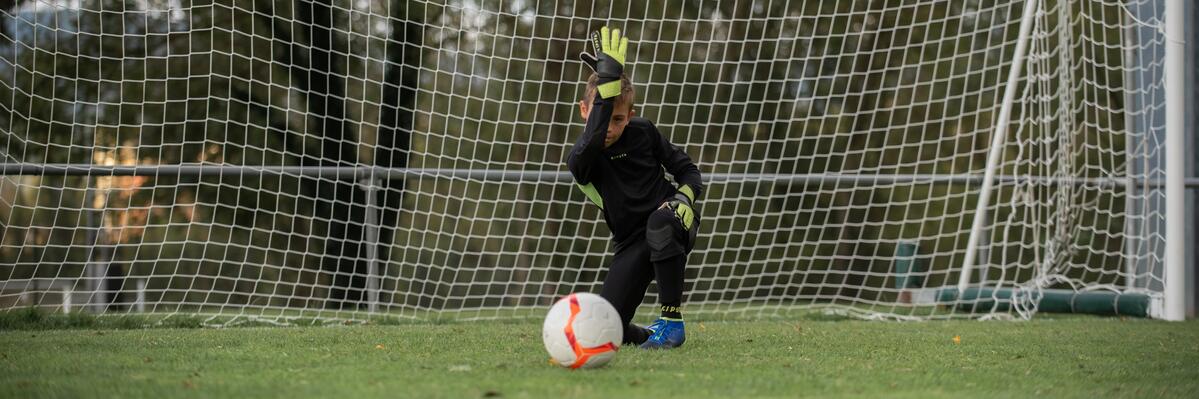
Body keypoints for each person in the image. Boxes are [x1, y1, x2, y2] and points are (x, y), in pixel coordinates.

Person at [567, 26, 703, 349]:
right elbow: (593, 141)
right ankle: (647, 335)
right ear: (584, 111)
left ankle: (671, 322)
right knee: (602, 329)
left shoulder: (643, 132)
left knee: (660, 223)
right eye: (604, 118)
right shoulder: (580, 159)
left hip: (672, 219)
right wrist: (608, 86)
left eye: (619, 119)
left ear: (630, 116)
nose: (610, 128)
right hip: (630, 243)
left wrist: (683, 199)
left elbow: (689, 171)